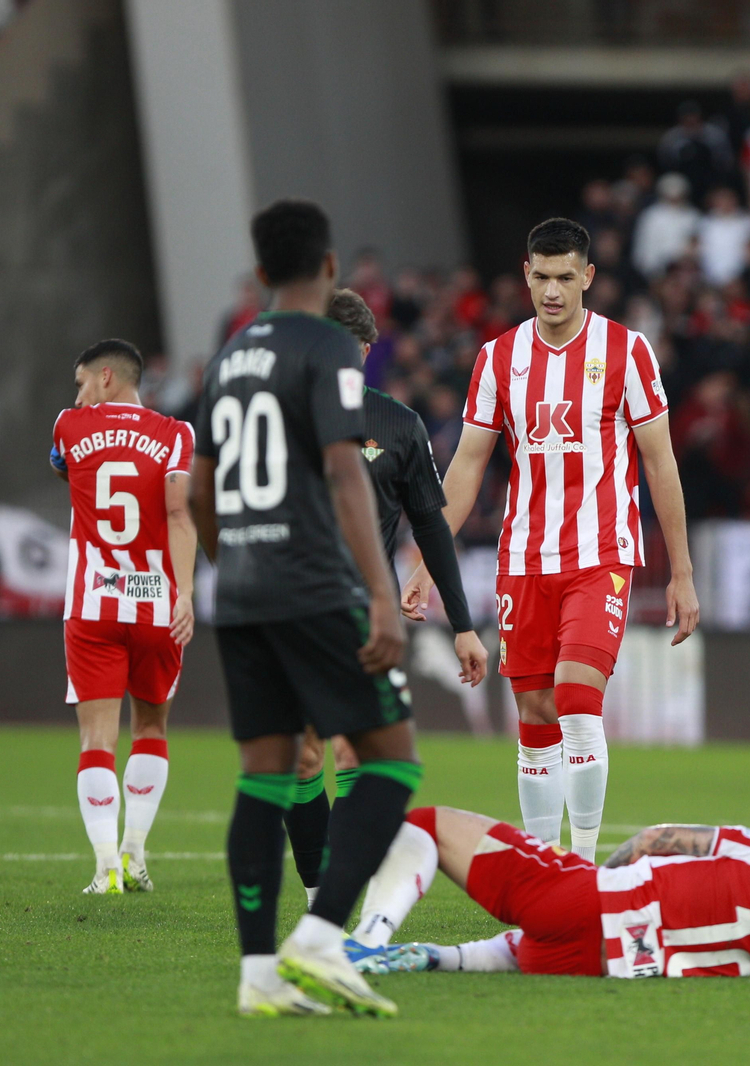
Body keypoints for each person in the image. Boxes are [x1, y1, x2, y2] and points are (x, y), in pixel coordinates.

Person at [401, 217, 700, 862]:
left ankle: (584, 863)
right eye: (542, 277)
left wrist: (682, 573)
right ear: (526, 275)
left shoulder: (628, 352)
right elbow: (468, 467)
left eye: (567, 277)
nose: (554, 291)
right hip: (524, 561)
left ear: (588, 277)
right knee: (535, 713)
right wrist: (429, 556)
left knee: (575, 695)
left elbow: (660, 463)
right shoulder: (498, 357)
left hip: (603, 558)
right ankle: (543, 864)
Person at [189, 200, 416, 1019]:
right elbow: (346, 471)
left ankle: (258, 976)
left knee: (267, 777)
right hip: (313, 586)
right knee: (392, 760)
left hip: (243, 594)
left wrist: (233, 568)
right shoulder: (328, 344)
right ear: (327, 270)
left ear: (258, 276)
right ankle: (322, 936)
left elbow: (195, 489)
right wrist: (380, 595)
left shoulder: (225, 359)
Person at [282, 288, 489, 908]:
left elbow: (431, 525)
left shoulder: (398, 425)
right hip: (289, 606)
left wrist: (462, 624)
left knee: (351, 749)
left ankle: (332, 906)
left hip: (360, 611)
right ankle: (323, 886)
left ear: (368, 351)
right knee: (300, 755)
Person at [341, 806, 750, 980]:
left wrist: (590, 876)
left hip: (585, 900)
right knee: (525, 944)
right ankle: (442, 958)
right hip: (587, 963)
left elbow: (654, 841)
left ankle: (367, 938)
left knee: (424, 823)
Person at [49, 339, 197, 895]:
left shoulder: (70, 425)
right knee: (153, 727)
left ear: (107, 377)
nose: (79, 393)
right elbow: (180, 516)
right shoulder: (176, 436)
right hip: (158, 603)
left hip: (93, 605)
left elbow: (67, 470)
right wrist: (184, 595)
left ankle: (105, 863)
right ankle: (135, 852)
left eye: (83, 380)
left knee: (96, 740)